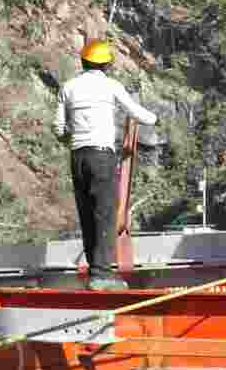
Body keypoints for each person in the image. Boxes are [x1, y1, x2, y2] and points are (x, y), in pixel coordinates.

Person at [54, 39, 158, 291]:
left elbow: (57, 128)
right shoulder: (111, 86)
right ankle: (102, 275)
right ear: (107, 64)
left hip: (77, 157)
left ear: (83, 61)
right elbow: (137, 112)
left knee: (87, 214)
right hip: (101, 157)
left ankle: (95, 271)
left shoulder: (68, 87)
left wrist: (73, 138)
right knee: (105, 213)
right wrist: (155, 119)